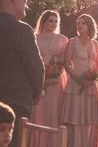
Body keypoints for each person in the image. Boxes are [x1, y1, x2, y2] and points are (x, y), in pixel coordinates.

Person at [0, 0, 44, 147]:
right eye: (24, 0)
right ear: (13, 0)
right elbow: (34, 65)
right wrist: (38, 91)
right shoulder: (21, 30)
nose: (26, 5)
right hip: (15, 103)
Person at [61, 14, 98, 147]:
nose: (80, 25)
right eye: (78, 23)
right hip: (75, 83)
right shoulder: (72, 42)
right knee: (75, 118)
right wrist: (79, 78)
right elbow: (67, 64)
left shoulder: (95, 43)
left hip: (91, 85)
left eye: (83, 23)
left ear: (89, 25)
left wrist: (93, 77)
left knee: (89, 118)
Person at [31, 11, 69, 147]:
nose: (53, 24)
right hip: (37, 78)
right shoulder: (33, 37)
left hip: (56, 80)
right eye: (50, 21)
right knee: (38, 109)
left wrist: (54, 75)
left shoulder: (63, 39)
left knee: (54, 110)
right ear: (43, 22)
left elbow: (65, 61)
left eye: (55, 21)